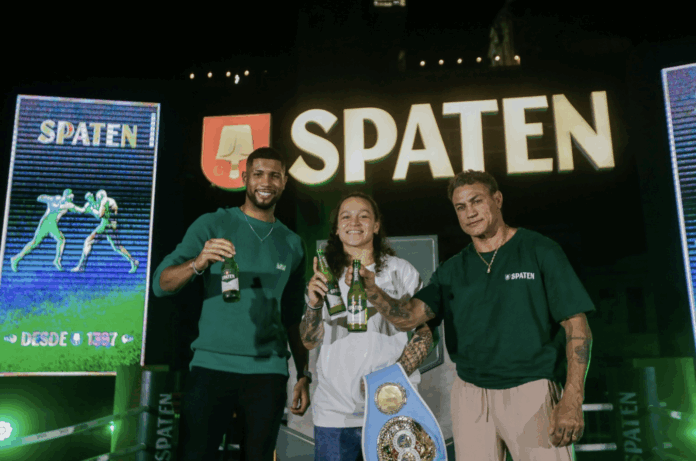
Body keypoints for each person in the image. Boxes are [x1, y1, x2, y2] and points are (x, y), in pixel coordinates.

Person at [348, 171, 594, 461]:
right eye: (460, 207)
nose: (470, 212)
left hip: (531, 390)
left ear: (497, 199)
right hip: (471, 395)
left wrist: (572, 397)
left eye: (476, 201)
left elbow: (577, 327)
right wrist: (373, 291)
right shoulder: (452, 270)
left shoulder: (539, 250)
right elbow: (408, 317)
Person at [152, 147, 310, 461]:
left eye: (274, 175)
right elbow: (161, 284)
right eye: (258, 174)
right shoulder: (213, 223)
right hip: (211, 368)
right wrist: (197, 263)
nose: (266, 182)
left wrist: (304, 374)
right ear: (244, 177)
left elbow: (294, 317)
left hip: (268, 373)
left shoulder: (292, 243)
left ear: (284, 182)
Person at [301, 192, 435, 461]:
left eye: (363, 216)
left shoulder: (400, 271)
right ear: (337, 229)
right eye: (346, 217)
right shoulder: (325, 278)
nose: (354, 222)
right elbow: (309, 341)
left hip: (394, 407)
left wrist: (391, 379)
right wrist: (314, 305)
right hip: (335, 414)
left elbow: (426, 333)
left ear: (376, 225)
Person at [11, 188, 85, 271]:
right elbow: (81, 210)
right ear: (68, 196)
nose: (72, 197)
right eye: (71, 196)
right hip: (46, 223)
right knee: (35, 243)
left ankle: (57, 261)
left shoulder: (63, 202)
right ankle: (16, 258)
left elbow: (80, 210)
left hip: (51, 224)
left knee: (61, 240)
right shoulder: (64, 202)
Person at [71, 190, 139, 273]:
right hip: (112, 225)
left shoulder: (104, 201)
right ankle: (134, 261)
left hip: (106, 225)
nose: (97, 200)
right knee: (118, 246)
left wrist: (92, 209)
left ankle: (81, 266)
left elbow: (100, 215)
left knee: (88, 241)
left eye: (97, 198)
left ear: (100, 196)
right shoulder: (110, 201)